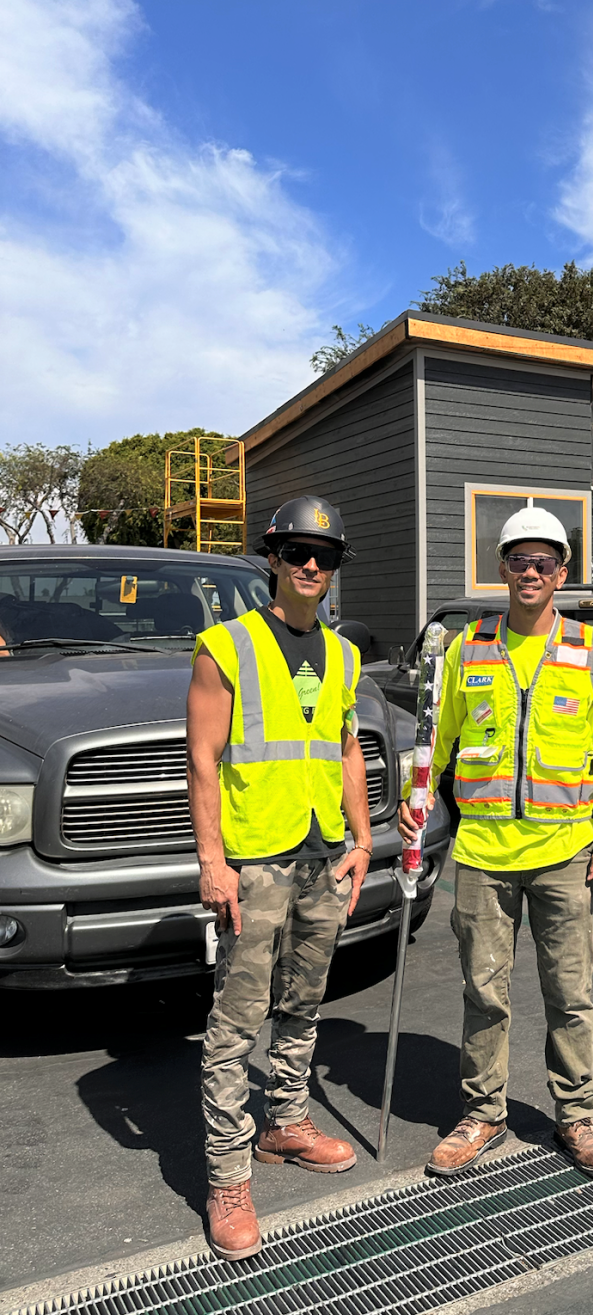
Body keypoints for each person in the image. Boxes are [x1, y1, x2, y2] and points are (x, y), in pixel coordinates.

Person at [402, 506, 593, 1180]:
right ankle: (482, 1114)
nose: (531, 572)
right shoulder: (465, 648)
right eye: (518, 560)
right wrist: (416, 802)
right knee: (484, 993)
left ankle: (577, 1117)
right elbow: (436, 742)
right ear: (500, 567)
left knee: (570, 993)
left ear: (561, 573)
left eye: (545, 562)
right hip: (482, 855)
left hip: (566, 853)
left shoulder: (589, 651)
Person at [187, 496, 373, 1262]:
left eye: (323, 556)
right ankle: (227, 1176)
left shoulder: (344, 654)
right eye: (296, 551)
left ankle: (286, 1124)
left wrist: (363, 839)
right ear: (272, 557)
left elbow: (346, 750)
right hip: (255, 861)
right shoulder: (223, 646)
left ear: (333, 570)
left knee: (303, 1002)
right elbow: (202, 760)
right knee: (235, 1024)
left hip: (323, 857)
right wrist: (212, 863)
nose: (309, 565)